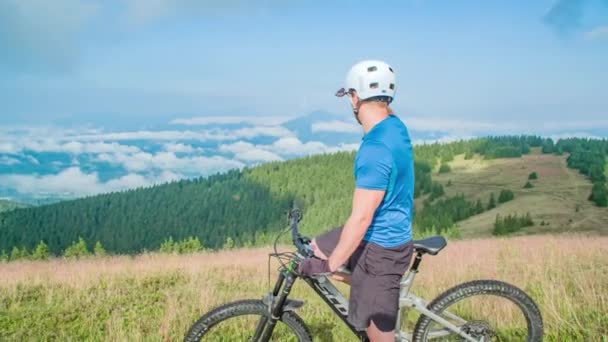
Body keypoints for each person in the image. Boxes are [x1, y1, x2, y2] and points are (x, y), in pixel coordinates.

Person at [299, 60, 414, 342]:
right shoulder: (393, 125)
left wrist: (331, 264)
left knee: (377, 336)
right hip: (381, 229)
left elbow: (361, 218)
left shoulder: (375, 150)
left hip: (383, 248)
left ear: (355, 97)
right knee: (315, 248)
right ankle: (366, 284)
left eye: (350, 94)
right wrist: (328, 258)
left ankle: (374, 289)